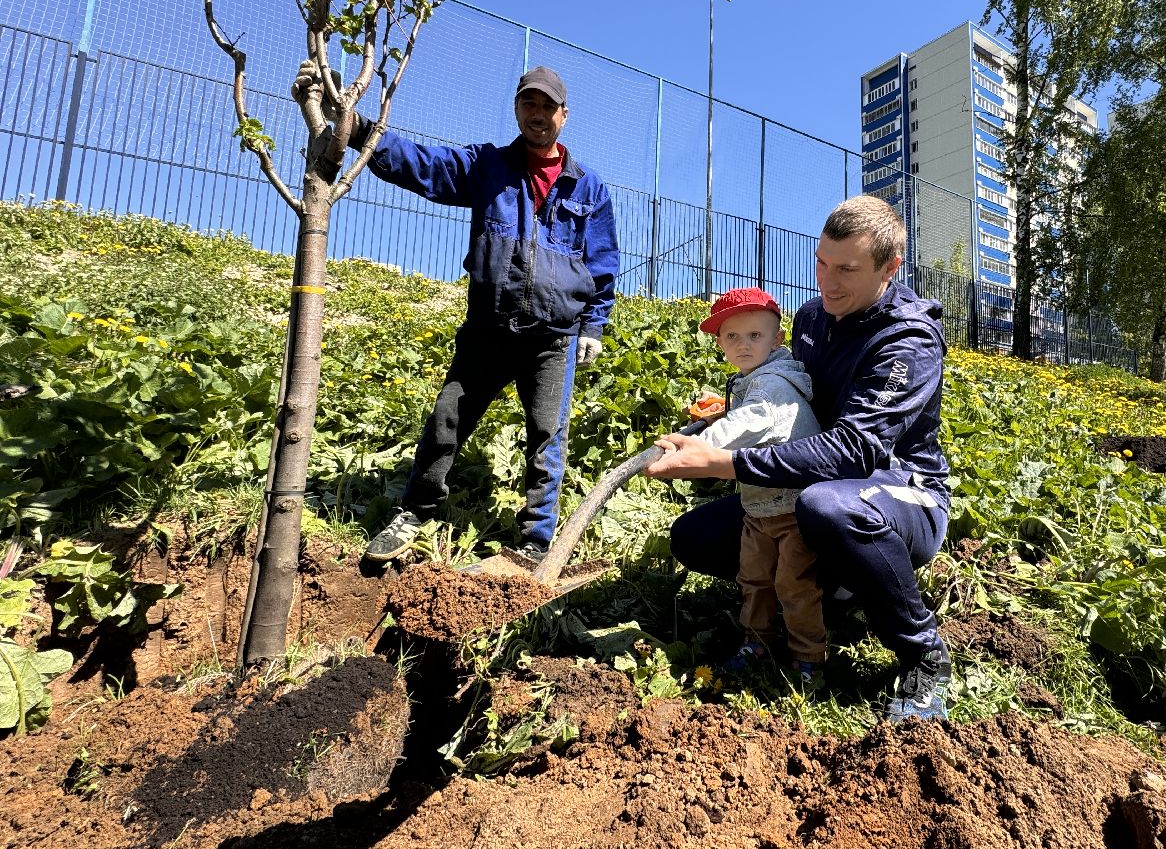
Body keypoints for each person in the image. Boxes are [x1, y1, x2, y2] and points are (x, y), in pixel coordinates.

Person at [294, 62, 619, 565]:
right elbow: (424, 165)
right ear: (517, 109)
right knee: (448, 421)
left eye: (547, 107)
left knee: (546, 438)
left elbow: (602, 262)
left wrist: (594, 325)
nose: (537, 115)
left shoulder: (589, 188)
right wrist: (356, 127)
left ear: (564, 115)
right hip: (489, 331)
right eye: (528, 104)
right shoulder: (488, 166)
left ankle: (534, 540)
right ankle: (416, 512)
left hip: (554, 338)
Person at [646, 195, 952, 721]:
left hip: (900, 491)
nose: (827, 283)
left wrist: (727, 464)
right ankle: (825, 596)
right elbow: (793, 391)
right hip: (814, 484)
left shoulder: (909, 340)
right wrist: (739, 406)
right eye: (821, 263)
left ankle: (924, 654)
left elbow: (856, 450)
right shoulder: (814, 317)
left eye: (848, 270)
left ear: (890, 267)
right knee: (693, 537)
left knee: (829, 510)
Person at [687, 286, 826, 681]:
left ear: (777, 339)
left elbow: (748, 423)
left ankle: (808, 660)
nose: (743, 345)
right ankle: (757, 643)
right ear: (719, 342)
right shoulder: (753, 379)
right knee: (754, 579)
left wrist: (692, 445)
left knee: (794, 585)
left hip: (792, 506)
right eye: (732, 337)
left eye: (755, 336)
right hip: (759, 507)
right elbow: (744, 417)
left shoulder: (775, 386)